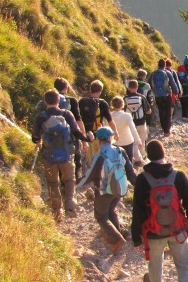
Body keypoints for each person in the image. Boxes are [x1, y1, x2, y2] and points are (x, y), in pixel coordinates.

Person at [130, 139, 188, 282]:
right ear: (164, 154)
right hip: (177, 231)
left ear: (148, 156)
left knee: (155, 260)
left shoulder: (143, 179)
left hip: (153, 232)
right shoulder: (179, 176)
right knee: (184, 269)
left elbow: (137, 210)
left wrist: (136, 237)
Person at [31, 89, 91, 221]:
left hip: (49, 156)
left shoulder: (41, 117)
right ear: (59, 101)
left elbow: (35, 138)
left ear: (45, 102)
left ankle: (57, 212)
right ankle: (69, 203)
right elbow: (76, 133)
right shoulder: (66, 114)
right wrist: (87, 139)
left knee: (53, 183)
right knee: (69, 180)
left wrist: (40, 138)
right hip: (66, 155)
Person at [76, 126, 127, 254]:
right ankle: (118, 236)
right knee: (111, 211)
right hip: (119, 188)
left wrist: (76, 183)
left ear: (98, 140)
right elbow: (130, 169)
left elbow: (90, 175)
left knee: (101, 217)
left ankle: (117, 239)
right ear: (111, 138)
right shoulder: (120, 151)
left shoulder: (99, 156)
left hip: (104, 191)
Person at [79, 80, 118, 163]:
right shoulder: (102, 103)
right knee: (99, 159)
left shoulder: (82, 102)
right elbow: (110, 120)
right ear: (100, 91)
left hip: (85, 135)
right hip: (98, 135)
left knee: (88, 159)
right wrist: (116, 132)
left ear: (91, 89)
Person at [123, 79, 152, 146]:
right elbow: (148, 111)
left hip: (130, 124)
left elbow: (123, 111)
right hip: (141, 123)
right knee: (141, 142)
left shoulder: (125, 98)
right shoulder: (142, 97)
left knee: (132, 143)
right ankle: (142, 155)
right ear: (137, 87)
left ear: (129, 87)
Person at [150, 60, 174, 137]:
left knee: (161, 111)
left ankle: (163, 127)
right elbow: (173, 84)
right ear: (164, 65)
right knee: (168, 112)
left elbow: (149, 83)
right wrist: (177, 92)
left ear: (158, 65)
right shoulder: (168, 73)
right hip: (167, 95)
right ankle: (167, 130)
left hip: (157, 96)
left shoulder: (153, 73)